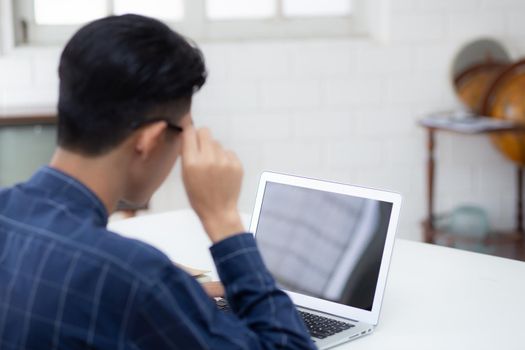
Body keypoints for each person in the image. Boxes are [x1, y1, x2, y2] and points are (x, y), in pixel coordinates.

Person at [0, 14, 315, 349]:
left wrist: (178, 294)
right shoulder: (135, 277)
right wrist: (224, 222)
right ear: (150, 141)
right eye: (185, 132)